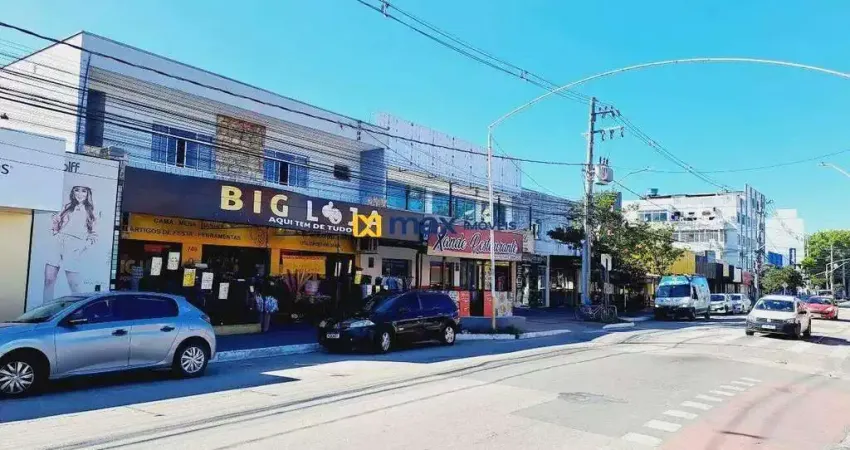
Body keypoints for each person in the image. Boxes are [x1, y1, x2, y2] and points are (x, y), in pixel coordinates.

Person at [44, 186, 99, 303]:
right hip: (58, 243)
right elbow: (55, 221)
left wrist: (82, 247)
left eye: (83, 191)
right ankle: (46, 307)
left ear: (88, 194)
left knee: (74, 284)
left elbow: (94, 235)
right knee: (49, 279)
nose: (80, 193)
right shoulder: (67, 207)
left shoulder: (92, 211)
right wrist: (55, 233)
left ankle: (79, 310)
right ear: (73, 192)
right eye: (76, 190)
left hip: (75, 246)